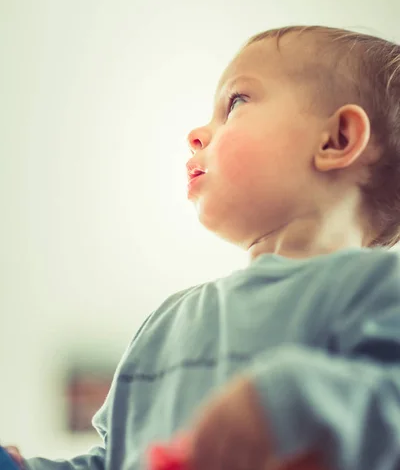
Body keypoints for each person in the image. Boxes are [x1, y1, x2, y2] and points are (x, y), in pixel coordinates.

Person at [5, 25, 400, 470]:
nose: (197, 133)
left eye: (235, 103)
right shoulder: (165, 324)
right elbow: (113, 461)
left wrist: (293, 402)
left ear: (337, 140)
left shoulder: (379, 290)